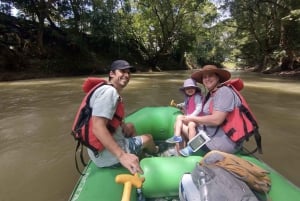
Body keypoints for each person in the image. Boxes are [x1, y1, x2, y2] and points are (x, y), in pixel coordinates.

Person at [87, 59, 161, 174]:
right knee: (149, 138)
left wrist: (122, 124)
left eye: (128, 72)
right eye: (122, 71)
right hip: (106, 156)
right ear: (112, 73)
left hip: (96, 151)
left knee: (130, 126)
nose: (126, 75)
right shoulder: (109, 93)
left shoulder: (104, 89)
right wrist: (121, 155)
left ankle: (138, 152)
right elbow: (97, 127)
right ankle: (156, 153)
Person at [179, 64, 244, 156]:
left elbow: (217, 120)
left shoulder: (224, 92)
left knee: (182, 125)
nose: (207, 79)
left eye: (210, 76)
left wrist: (192, 118)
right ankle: (188, 149)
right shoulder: (213, 93)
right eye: (204, 77)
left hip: (222, 143)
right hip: (214, 134)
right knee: (189, 123)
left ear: (218, 78)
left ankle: (180, 155)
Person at [166, 78, 203, 154]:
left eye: (191, 88)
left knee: (191, 124)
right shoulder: (187, 97)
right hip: (189, 117)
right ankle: (177, 137)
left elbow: (199, 108)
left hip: (197, 118)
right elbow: (185, 104)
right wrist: (179, 105)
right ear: (184, 90)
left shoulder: (197, 97)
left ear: (195, 89)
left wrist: (191, 117)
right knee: (178, 117)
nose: (189, 90)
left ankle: (191, 145)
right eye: (187, 88)